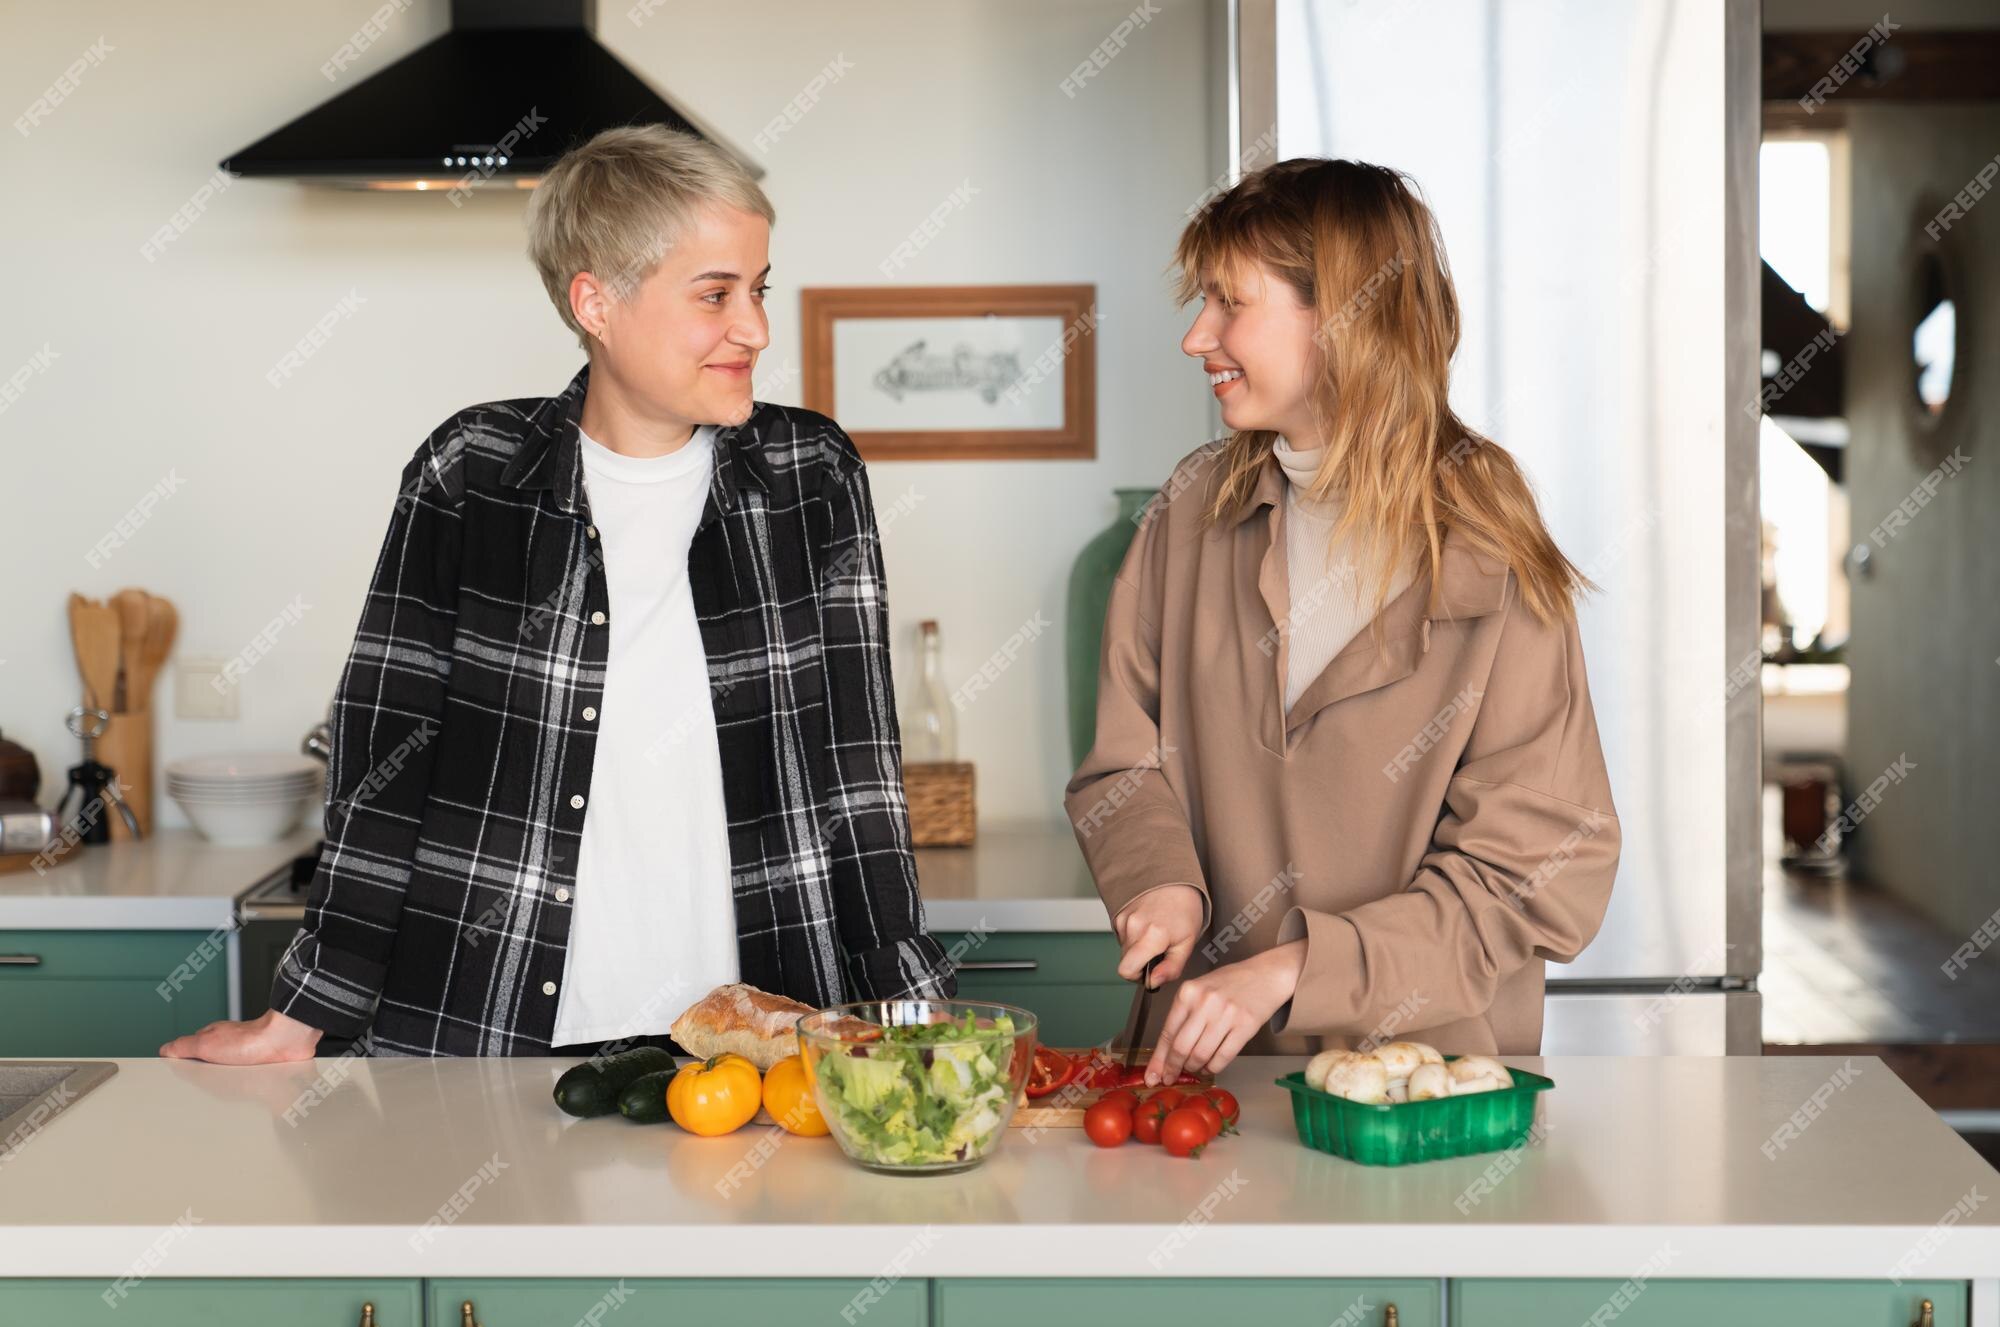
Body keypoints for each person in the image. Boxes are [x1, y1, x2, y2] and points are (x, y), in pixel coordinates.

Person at [163, 125, 954, 1063]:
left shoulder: (810, 473)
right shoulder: (473, 472)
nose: (756, 328)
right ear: (597, 303)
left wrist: (913, 1008)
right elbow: (386, 760)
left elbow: (857, 768)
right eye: (715, 294)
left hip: (766, 1036)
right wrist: (301, 1016)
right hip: (485, 1023)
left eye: (758, 289)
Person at [1066, 157, 1620, 1085]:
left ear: (1346, 317)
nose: (1196, 337)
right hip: (1206, 1085)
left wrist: (1296, 970)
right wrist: (1157, 877)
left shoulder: (1488, 541)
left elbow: (1536, 872)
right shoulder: (1192, 507)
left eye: (1228, 303)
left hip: (1424, 1091)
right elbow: (1125, 761)